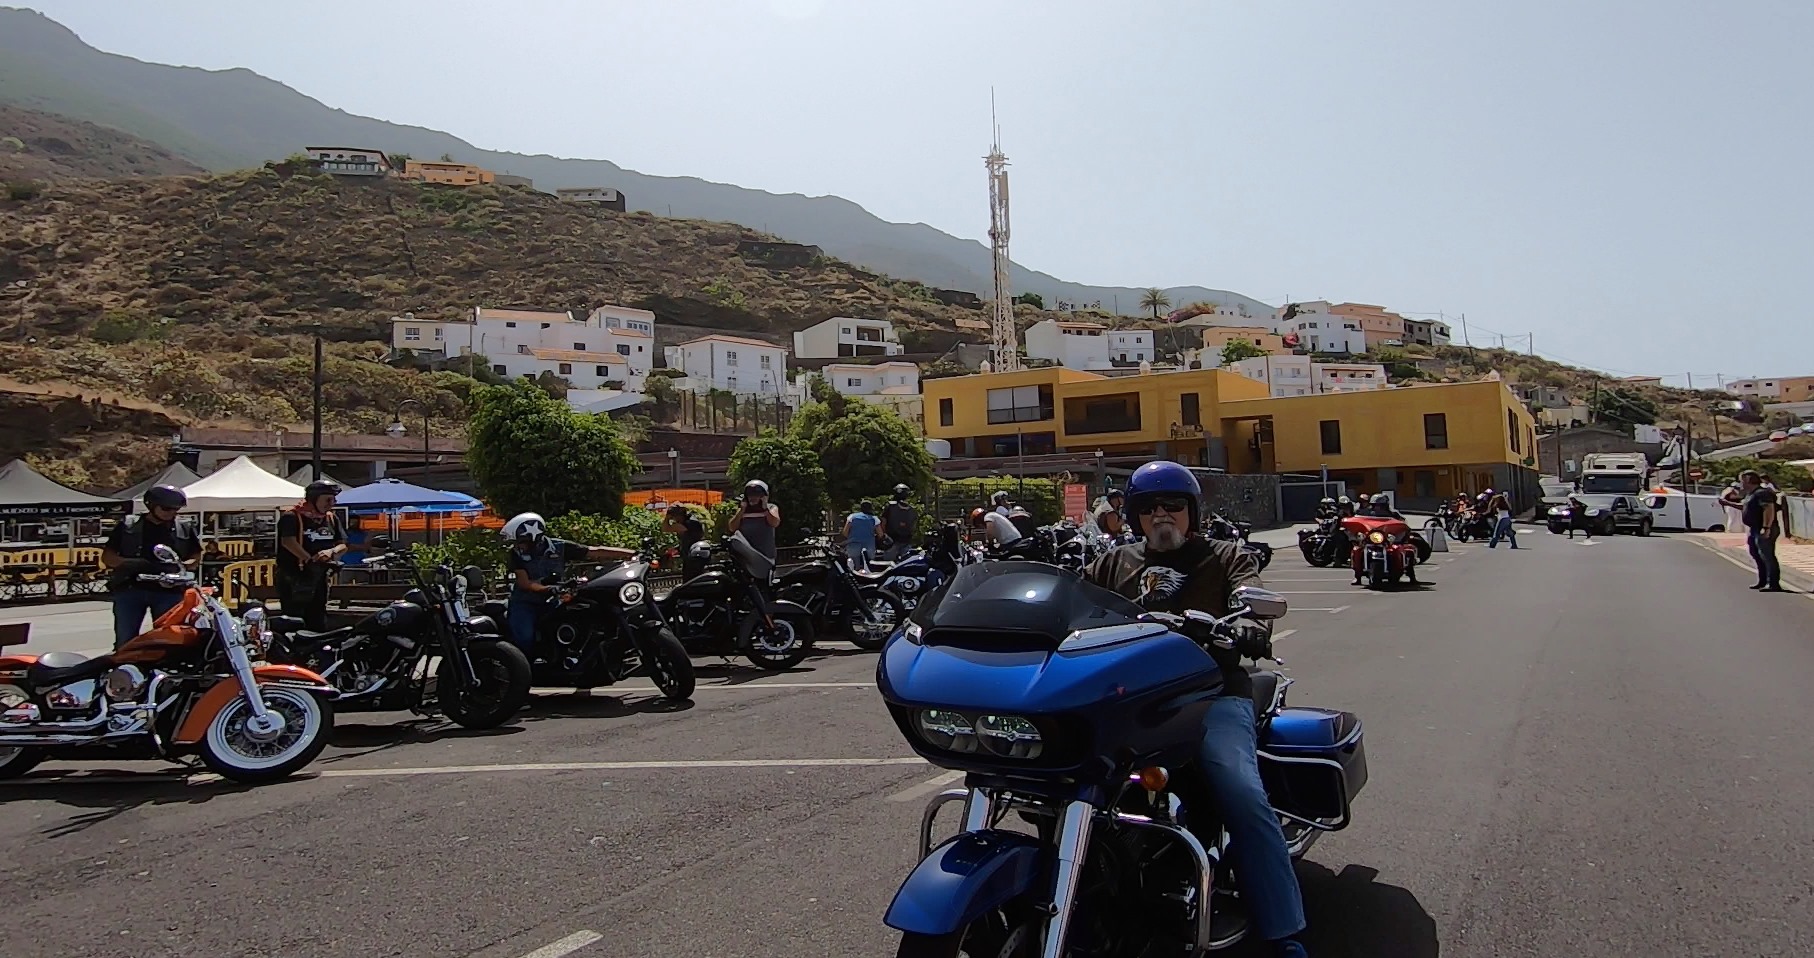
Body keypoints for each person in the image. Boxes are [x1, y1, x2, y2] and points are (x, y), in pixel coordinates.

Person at [1082, 461, 1308, 958]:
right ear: (1136, 516)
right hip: (1132, 700)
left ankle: (1283, 931)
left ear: (1191, 513)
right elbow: (1074, 606)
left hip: (1212, 694)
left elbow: (1253, 605)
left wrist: (1251, 627)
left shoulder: (1225, 557)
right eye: (1151, 508)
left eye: (1174, 507)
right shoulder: (1112, 563)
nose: (1163, 516)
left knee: (1240, 792)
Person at [501, 512, 635, 655]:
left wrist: (631, 553)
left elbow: (595, 551)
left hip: (554, 601)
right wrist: (548, 589)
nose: (518, 546)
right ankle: (526, 672)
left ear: (534, 538)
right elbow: (525, 583)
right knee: (525, 637)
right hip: (525, 603)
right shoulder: (515, 555)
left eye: (521, 541)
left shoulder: (560, 547)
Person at [101, 485, 202, 649]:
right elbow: (108, 557)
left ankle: (162, 672)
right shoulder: (128, 526)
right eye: (167, 508)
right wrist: (131, 563)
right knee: (126, 640)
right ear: (151, 505)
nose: (172, 513)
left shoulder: (184, 528)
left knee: (169, 639)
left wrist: (182, 567)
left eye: (176, 509)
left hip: (169, 591)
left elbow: (195, 556)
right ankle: (125, 671)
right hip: (131, 589)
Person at [275, 480, 348, 630]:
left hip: (319, 578)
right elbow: (288, 541)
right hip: (295, 577)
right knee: (294, 620)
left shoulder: (331, 518)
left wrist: (331, 552)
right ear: (313, 498)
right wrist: (309, 559)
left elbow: (343, 544)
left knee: (318, 619)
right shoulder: (292, 516)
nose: (332, 503)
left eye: (334, 499)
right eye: (328, 499)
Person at [1727, 470, 1782, 591]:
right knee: (1756, 553)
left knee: (1767, 555)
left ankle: (1773, 583)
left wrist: (1766, 527)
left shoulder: (1763, 493)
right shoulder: (1751, 494)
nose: (1740, 484)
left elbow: (1769, 509)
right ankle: (1762, 580)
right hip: (1754, 528)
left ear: (1748, 480)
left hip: (1764, 528)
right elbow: (1745, 507)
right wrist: (1727, 503)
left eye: (1742, 480)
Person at [730, 480, 781, 561]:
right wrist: (742, 510)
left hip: (765, 555)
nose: (752, 498)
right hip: (746, 555)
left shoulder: (771, 508)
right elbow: (732, 527)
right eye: (750, 495)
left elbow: (775, 523)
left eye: (756, 495)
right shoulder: (742, 511)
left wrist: (765, 508)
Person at [662, 503, 707, 579]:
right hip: (691, 555)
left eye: (674, 517)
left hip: (693, 558)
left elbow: (666, 528)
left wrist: (667, 518)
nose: (674, 519)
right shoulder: (691, 520)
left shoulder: (689, 523)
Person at [881, 485, 918, 561]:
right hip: (906, 540)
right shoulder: (912, 509)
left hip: (891, 540)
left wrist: (884, 536)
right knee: (906, 564)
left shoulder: (890, 507)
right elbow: (914, 526)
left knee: (888, 566)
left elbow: (883, 522)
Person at [844, 500, 881, 569]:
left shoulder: (852, 517)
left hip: (853, 546)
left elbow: (845, 532)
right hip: (869, 546)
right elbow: (880, 534)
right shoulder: (874, 519)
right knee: (869, 567)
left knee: (854, 567)